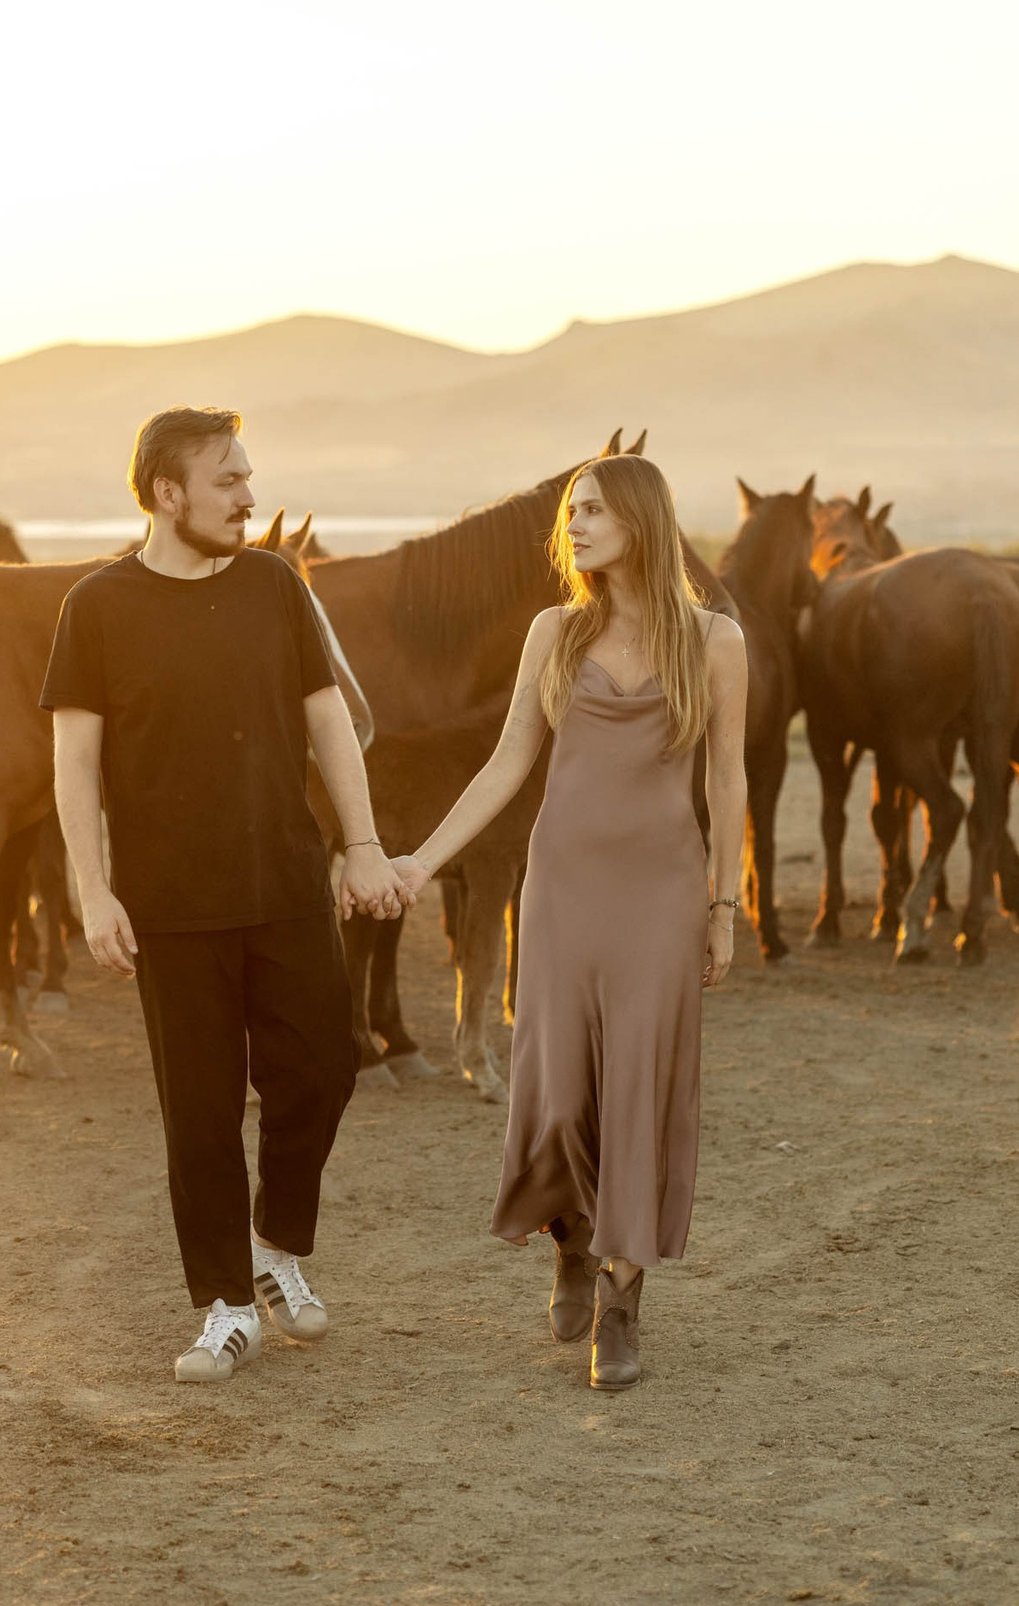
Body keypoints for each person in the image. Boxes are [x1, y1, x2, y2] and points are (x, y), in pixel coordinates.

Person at [47, 406, 406, 1384]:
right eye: (228, 481)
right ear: (168, 493)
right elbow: (73, 762)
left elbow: (328, 722)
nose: (250, 496)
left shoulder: (274, 587)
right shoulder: (98, 607)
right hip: (168, 904)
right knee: (198, 1114)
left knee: (325, 1068)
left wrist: (363, 844)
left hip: (288, 882)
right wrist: (93, 889)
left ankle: (276, 1242)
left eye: (248, 477)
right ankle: (226, 1308)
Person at [389, 454, 746, 1390]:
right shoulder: (553, 632)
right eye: (570, 512)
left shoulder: (714, 642)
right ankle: (572, 1236)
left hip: (662, 892)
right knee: (558, 1087)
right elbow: (508, 764)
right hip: (562, 888)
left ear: (640, 519)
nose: (574, 526)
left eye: (592, 510)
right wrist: (423, 859)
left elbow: (727, 778)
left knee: (640, 1081)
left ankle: (622, 1300)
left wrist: (723, 906)